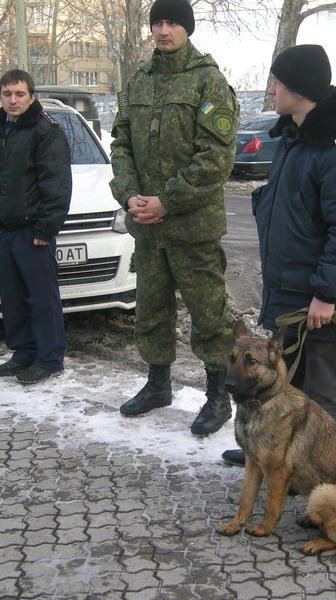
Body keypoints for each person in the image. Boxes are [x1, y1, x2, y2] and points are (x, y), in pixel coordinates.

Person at [222, 44, 336, 466]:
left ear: (299, 88)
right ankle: (278, 460)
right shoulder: (296, 137)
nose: (271, 89)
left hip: (320, 301)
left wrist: (327, 294)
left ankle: (328, 473)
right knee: (286, 388)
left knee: (323, 393)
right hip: (290, 292)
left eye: (277, 82)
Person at [109, 0, 239, 436]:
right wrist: (129, 194)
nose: (163, 30)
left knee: (209, 314)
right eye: (158, 23)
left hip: (192, 226)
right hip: (148, 227)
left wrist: (167, 200)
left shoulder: (208, 80)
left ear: (187, 29)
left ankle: (218, 396)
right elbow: (121, 143)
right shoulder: (138, 80)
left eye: (172, 23)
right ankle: (158, 384)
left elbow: (216, 157)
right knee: (151, 308)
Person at [0, 69, 72, 384]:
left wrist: (46, 228)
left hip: (32, 231)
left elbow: (56, 184)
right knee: (12, 297)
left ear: (31, 96)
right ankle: (24, 352)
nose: (13, 100)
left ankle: (49, 359)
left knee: (42, 299)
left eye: (19, 94)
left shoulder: (45, 131)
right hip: (3, 229)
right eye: (7, 94)